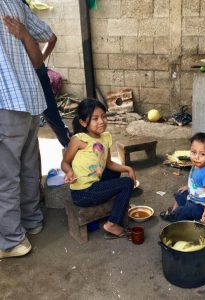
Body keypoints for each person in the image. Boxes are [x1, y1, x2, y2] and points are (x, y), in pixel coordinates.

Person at [0, 1, 53, 258]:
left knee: (5, 177)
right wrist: (22, 34)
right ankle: (32, 221)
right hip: (31, 100)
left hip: (6, 102)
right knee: (29, 167)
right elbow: (47, 39)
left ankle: (11, 242)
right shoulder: (17, 4)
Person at [61, 98, 136, 238]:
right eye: (95, 119)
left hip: (95, 183)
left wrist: (127, 169)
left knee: (114, 174)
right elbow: (64, 163)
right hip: (83, 193)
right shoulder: (79, 139)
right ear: (83, 122)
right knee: (127, 183)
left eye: (103, 116)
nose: (101, 121)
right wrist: (69, 171)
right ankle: (112, 224)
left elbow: (108, 164)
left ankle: (115, 201)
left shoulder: (106, 137)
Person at [21, 0, 71, 147]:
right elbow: (52, 38)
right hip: (36, 72)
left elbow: (52, 38)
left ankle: (72, 147)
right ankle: (70, 145)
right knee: (52, 118)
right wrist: (39, 60)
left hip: (34, 74)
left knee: (30, 123)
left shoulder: (20, 14)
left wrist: (39, 59)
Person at [160, 132, 205, 224]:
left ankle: (176, 216)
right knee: (180, 193)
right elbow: (195, 182)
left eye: (202, 154)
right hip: (195, 198)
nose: (196, 157)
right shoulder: (197, 164)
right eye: (193, 152)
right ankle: (173, 211)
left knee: (189, 208)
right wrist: (187, 187)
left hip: (204, 206)